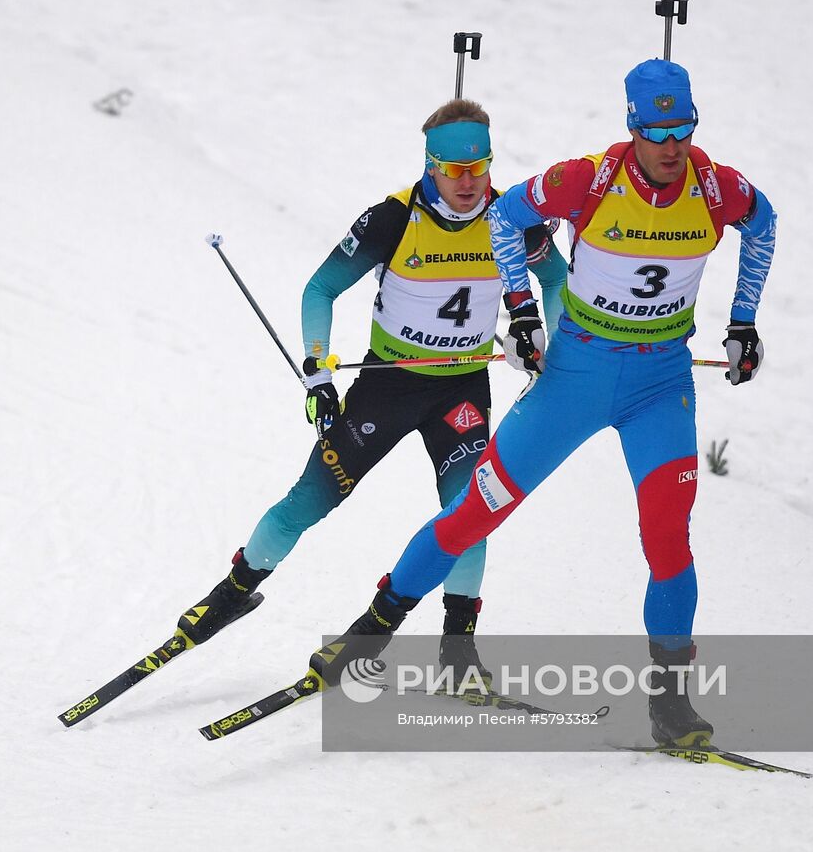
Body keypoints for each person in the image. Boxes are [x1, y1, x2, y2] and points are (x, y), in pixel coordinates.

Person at [304, 59, 778, 749]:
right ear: (632, 127)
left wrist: (743, 321)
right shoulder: (588, 178)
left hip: (660, 384)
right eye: (658, 131)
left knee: (668, 536)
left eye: (684, 130)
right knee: (475, 512)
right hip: (575, 379)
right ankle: (371, 630)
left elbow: (764, 227)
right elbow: (505, 215)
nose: (672, 146)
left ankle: (671, 701)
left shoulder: (715, 185)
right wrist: (523, 311)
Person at [178, 98, 564, 681]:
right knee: (310, 499)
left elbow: (557, 281)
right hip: (386, 385)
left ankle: (457, 650)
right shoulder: (391, 218)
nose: (468, 182)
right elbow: (320, 289)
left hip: (461, 392)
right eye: (453, 170)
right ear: (430, 164)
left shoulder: (513, 219)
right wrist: (318, 371)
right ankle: (235, 591)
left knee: (469, 512)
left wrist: (539, 345)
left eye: (479, 167)